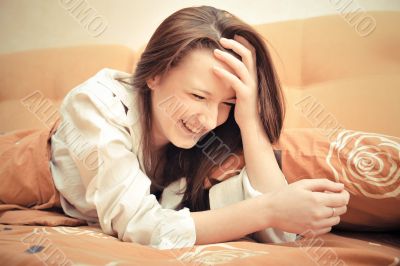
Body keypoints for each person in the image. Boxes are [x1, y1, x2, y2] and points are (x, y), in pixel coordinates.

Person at [0, 6, 349, 250]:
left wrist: (249, 119)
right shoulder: (95, 104)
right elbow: (139, 226)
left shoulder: (217, 137)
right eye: (198, 95)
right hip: (15, 162)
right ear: (154, 74)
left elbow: (280, 235)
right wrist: (269, 208)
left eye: (226, 103)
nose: (210, 120)